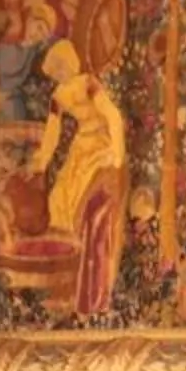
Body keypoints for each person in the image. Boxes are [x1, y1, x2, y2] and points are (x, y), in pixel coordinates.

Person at [26, 40, 126, 317]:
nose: (57, 73)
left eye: (59, 67)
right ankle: (66, 280)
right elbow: (53, 131)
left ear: (68, 63)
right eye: (53, 70)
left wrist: (116, 154)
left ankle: (79, 283)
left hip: (101, 145)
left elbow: (113, 116)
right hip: (82, 145)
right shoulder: (59, 95)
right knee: (59, 196)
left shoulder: (88, 84)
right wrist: (42, 161)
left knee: (80, 198)